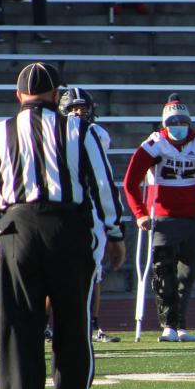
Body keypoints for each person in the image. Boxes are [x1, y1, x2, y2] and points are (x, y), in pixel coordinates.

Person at [0, 61, 126, 389]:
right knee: (73, 323)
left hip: (17, 229)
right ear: (57, 95)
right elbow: (103, 185)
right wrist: (115, 231)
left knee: (20, 324)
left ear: (18, 95)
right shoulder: (78, 128)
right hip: (67, 227)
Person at [122, 95, 195, 343]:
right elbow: (130, 182)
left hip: (193, 219)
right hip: (163, 219)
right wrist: (140, 213)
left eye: (183, 121)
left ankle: (181, 325)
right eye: (173, 122)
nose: (178, 126)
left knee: (186, 275)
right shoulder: (154, 144)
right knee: (162, 272)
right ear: (164, 124)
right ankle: (167, 325)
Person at [53, 87, 119, 344]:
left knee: (94, 270)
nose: (79, 112)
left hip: (90, 209)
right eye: (73, 108)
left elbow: (100, 178)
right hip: (63, 207)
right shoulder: (55, 131)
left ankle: (92, 324)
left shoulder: (96, 134)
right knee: (54, 271)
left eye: (83, 108)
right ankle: (48, 324)